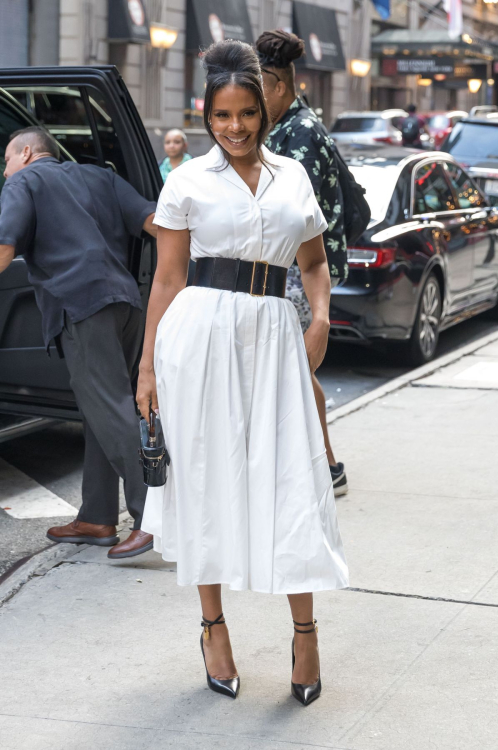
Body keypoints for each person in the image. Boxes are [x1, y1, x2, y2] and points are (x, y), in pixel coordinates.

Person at [137, 40, 348, 705]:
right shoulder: (187, 180)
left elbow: (313, 264)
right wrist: (146, 367)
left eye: (247, 113)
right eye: (222, 115)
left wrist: (318, 317)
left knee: (291, 482)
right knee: (205, 482)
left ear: (266, 108)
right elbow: (167, 280)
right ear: (208, 115)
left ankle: (306, 632)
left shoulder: (293, 177)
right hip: (197, 340)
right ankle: (212, 626)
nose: (235, 127)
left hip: (274, 337)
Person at [0, 126, 157, 558]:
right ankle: (97, 517)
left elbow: (2, 249)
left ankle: (155, 519)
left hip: (83, 307)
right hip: (127, 304)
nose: (6, 170)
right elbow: (156, 223)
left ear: (26, 153)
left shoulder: (24, 181)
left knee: (111, 413)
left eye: (6, 161)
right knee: (102, 412)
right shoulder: (100, 177)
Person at [255, 29, 348, 496]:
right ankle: (319, 463)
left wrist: (322, 314)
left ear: (276, 86)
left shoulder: (301, 134)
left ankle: (328, 465)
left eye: (255, 88)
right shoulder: (287, 128)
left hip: (300, 271)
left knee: (295, 371)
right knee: (293, 372)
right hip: (289, 270)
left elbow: (298, 224)